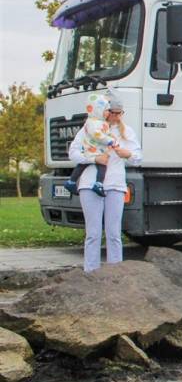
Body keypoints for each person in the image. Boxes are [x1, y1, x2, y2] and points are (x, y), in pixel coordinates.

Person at [68, 94, 142, 272]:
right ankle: (90, 272)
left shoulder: (126, 132)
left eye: (119, 113)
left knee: (114, 233)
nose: (115, 117)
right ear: (105, 111)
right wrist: (94, 158)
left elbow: (138, 158)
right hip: (90, 184)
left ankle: (115, 272)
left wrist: (128, 154)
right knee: (93, 233)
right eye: (112, 113)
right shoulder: (90, 128)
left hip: (115, 185)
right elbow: (73, 153)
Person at [64, 93, 116, 197]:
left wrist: (111, 138)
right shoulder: (92, 123)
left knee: (85, 165)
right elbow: (98, 135)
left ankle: (72, 182)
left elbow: (105, 133)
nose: (108, 113)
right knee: (99, 165)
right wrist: (109, 140)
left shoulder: (101, 122)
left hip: (98, 150)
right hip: (93, 150)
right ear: (98, 110)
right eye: (106, 110)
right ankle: (97, 184)